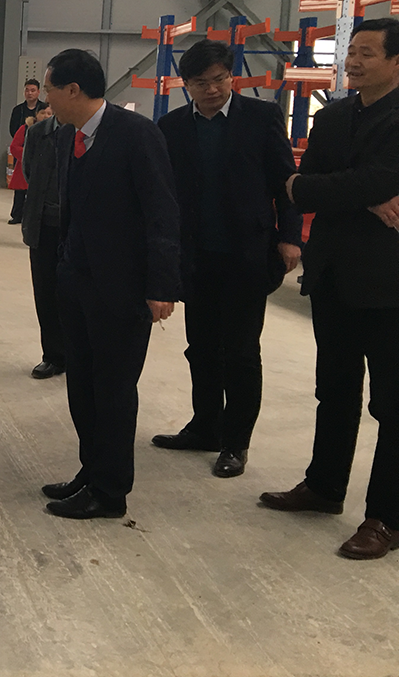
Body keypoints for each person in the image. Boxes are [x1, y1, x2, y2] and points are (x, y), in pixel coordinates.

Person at [261, 18, 399, 560]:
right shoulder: (334, 115)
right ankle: (323, 486)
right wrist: (365, 195)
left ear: (395, 61)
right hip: (333, 276)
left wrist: (348, 187)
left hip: (389, 286)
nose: (354, 61)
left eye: (367, 53)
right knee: (335, 390)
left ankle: (385, 517)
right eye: (351, 51)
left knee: (392, 404)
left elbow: (370, 178)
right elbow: (300, 187)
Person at [40, 49, 180, 520]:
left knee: (114, 390)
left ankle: (110, 491)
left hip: (122, 288)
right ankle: (91, 471)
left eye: (50, 89)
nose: (46, 99)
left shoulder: (136, 134)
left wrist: (162, 285)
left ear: (73, 90)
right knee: (82, 386)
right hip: (77, 283)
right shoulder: (69, 136)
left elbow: (162, 210)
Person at [152, 40, 302, 479]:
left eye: (219, 79)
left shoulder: (262, 117)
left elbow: (287, 182)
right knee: (200, 348)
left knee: (240, 352)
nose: (212, 89)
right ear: (186, 85)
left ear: (231, 76)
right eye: (201, 83)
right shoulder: (172, 126)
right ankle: (205, 427)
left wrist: (290, 238)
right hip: (196, 257)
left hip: (247, 255)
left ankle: (236, 443)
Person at [20, 103, 67, 379]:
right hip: (43, 225)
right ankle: (53, 356)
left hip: (77, 228)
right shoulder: (38, 133)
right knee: (46, 293)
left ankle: (80, 355)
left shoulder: (87, 132)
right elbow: (28, 170)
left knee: (77, 295)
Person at [7, 77, 48, 224]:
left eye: (33, 90)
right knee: (20, 187)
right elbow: (13, 129)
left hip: (42, 157)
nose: (30, 93)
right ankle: (17, 214)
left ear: (38, 92)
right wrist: (26, 152)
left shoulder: (44, 107)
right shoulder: (18, 110)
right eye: (27, 90)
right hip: (23, 152)